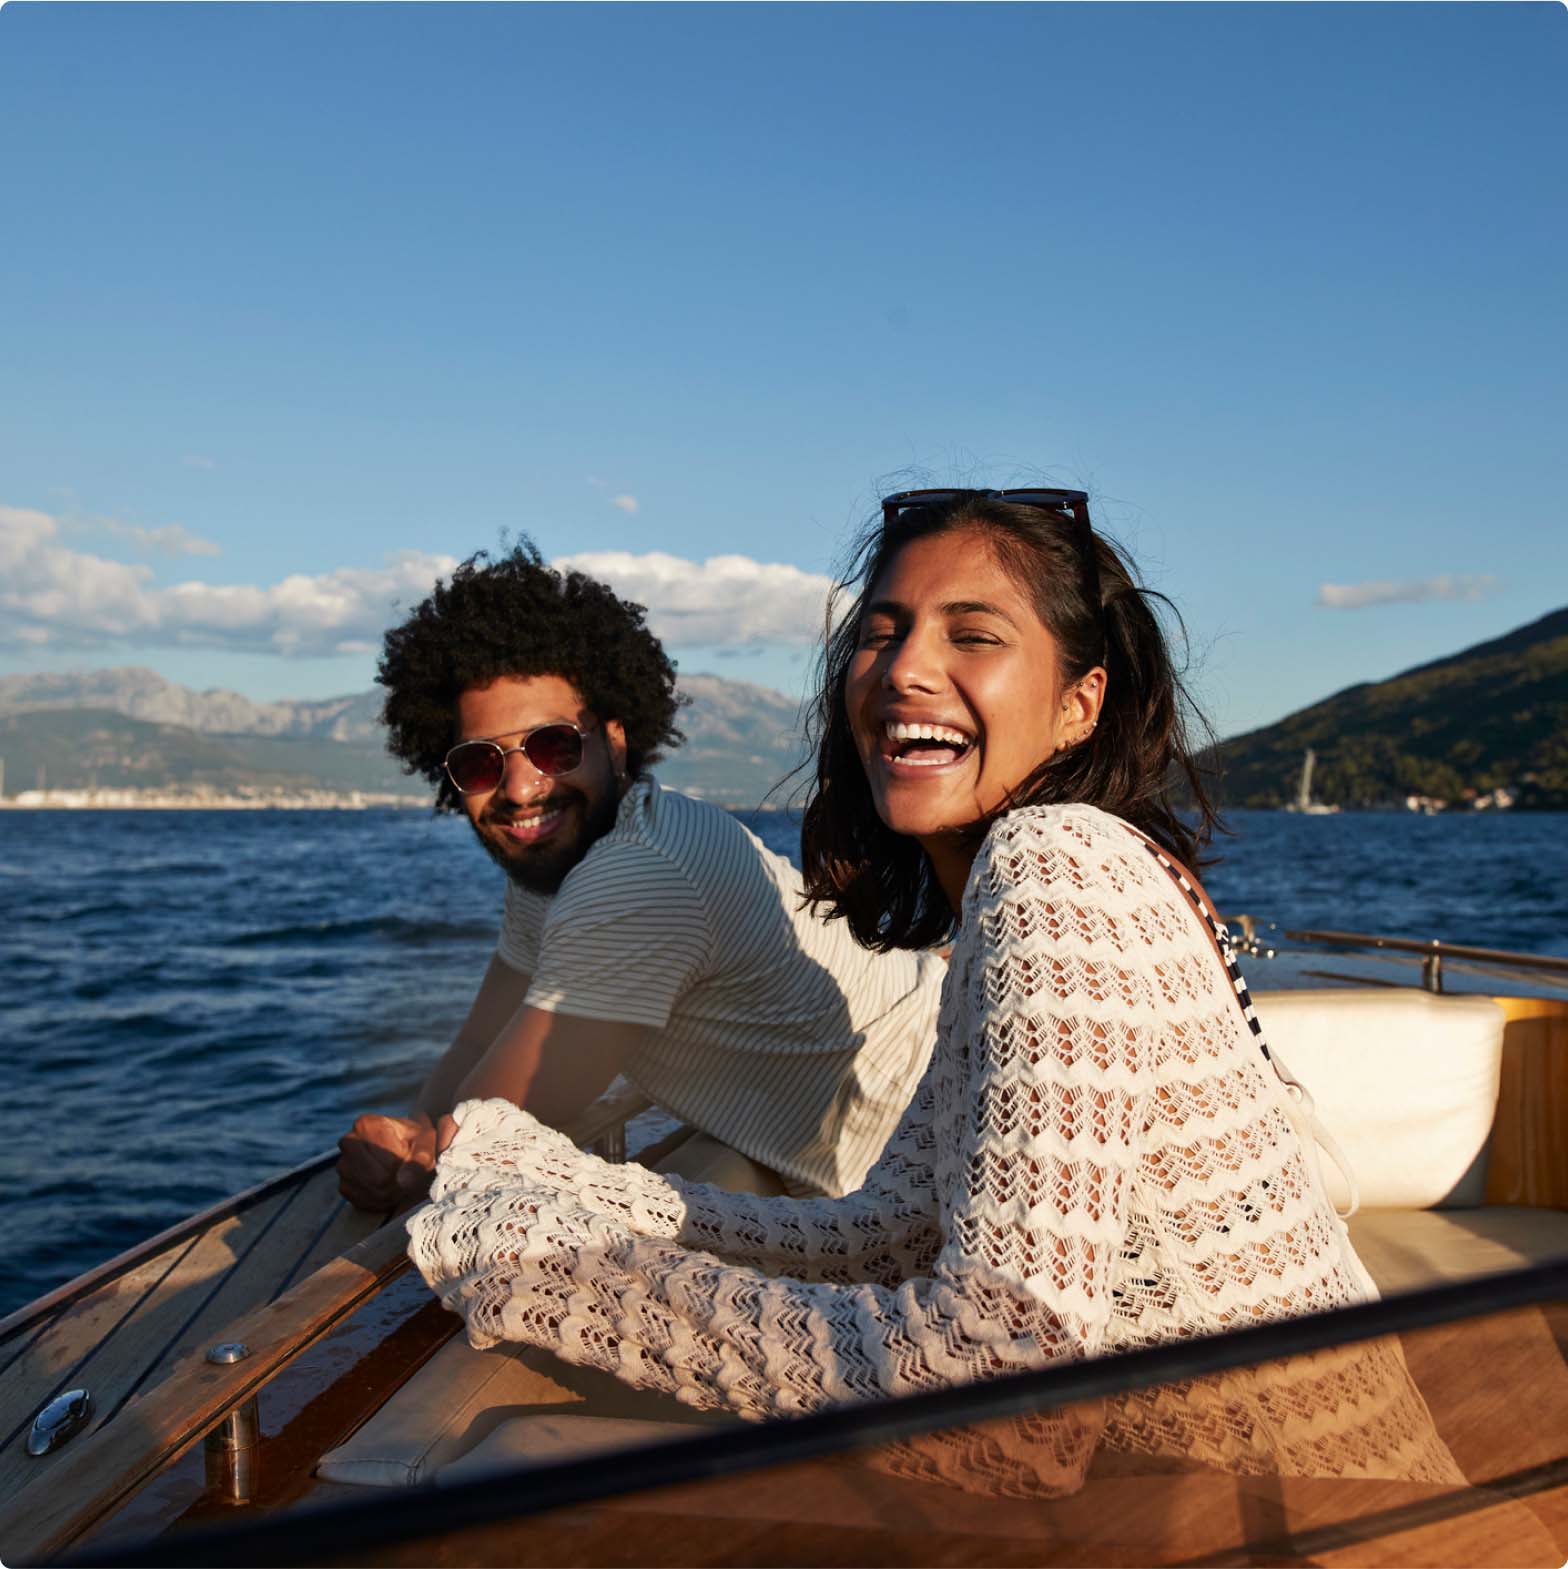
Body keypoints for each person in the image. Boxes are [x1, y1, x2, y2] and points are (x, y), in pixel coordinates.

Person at [406, 490, 1456, 1487]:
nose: (903, 669)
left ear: (1078, 704)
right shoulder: (1020, 883)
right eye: (880, 631)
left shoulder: (1053, 866)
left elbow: (1006, 1386)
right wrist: (577, 1199)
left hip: (1303, 1521)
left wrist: (542, 1271)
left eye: (972, 634)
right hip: (1222, 1496)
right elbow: (891, 1233)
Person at [337, 541, 944, 1211]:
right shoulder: (553, 867)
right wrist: (419, 1129)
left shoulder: (638, 878)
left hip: (918, 1116)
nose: (519, 787)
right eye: (481, 763)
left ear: (615, 741)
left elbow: (490, 1140)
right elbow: (482, 1040)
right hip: (833, 1093)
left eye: (553, 745)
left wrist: (412, 1158)